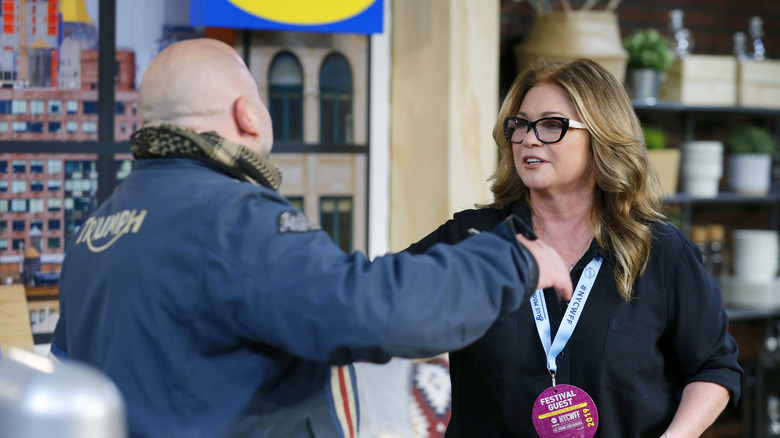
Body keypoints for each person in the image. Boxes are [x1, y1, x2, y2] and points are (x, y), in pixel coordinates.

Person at [49, 38, 574, 438]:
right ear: (246, 115)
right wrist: (511, 262)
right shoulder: (232, 219)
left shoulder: (100, 228)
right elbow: (375, 311)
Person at [407, 58, 743, 437]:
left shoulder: (660, 249)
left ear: (601, 136)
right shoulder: (470, 238)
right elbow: (378, 302)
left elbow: (714, 367)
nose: (528, 139)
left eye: (552, 125)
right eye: (519, 125)